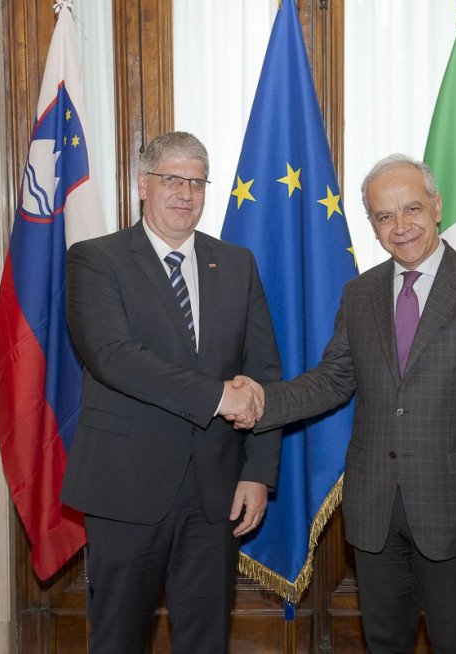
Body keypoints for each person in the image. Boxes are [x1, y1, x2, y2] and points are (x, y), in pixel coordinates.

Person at [231, 154, 456, 653]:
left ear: (436, 207)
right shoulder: (361, 293)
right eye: (384, 216)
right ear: (371, 224)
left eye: (412, 209)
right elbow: (332, 381)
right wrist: (262, 398)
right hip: (374, 510)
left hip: (455, 512)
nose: (401, 227)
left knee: (455, 641)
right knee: (383, 642)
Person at [61, 131, 281, 654]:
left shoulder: (236, 263)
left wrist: (256, 473)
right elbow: (113, 356)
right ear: (143, 184)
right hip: (125, 487)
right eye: (172, 179)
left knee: (206, 640)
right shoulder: (96, 259)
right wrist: (216, 397)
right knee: (118, 638)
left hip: (215, 494)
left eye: (197, 182)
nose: (185, 193)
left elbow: (263, 373)